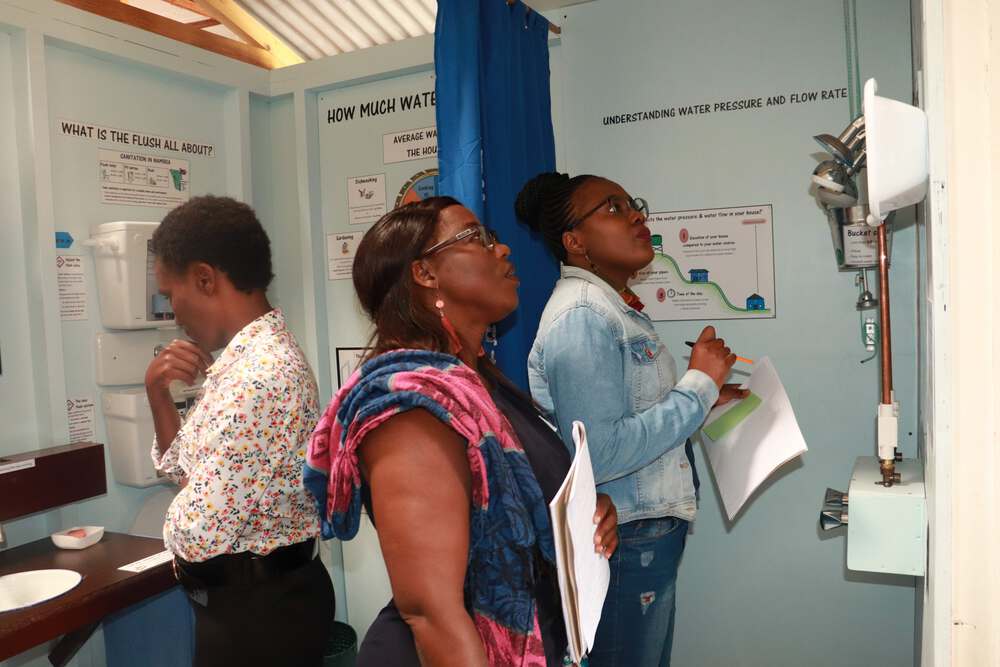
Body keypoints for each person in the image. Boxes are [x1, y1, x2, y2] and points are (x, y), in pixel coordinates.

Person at [304, 197, 620, 667]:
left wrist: (584, 520)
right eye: (478, 238)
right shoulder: (411, 408)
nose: (504, 249)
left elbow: (517, 502)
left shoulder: (478, 383)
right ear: (425, 274)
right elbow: (432, 614)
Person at [516, 173, 747, 667]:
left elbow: (633, 413)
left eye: (632, 204)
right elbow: (601, 452)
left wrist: (706, 397)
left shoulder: (610, 310)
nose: (637, 215)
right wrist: (697, 386)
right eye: (613, 208)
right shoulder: (582, 317)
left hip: (646, 533)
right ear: (575, 242)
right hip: (625, 541)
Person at [145, 195, 334, 667]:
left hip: (262, 613)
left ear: (206, 279)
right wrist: (157, 394)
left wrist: (184, 508)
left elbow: (197, 533)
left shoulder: (259, 376)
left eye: (171, 295)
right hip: (254, 600)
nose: (173, 313)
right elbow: (180, 469)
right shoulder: (240, 365)